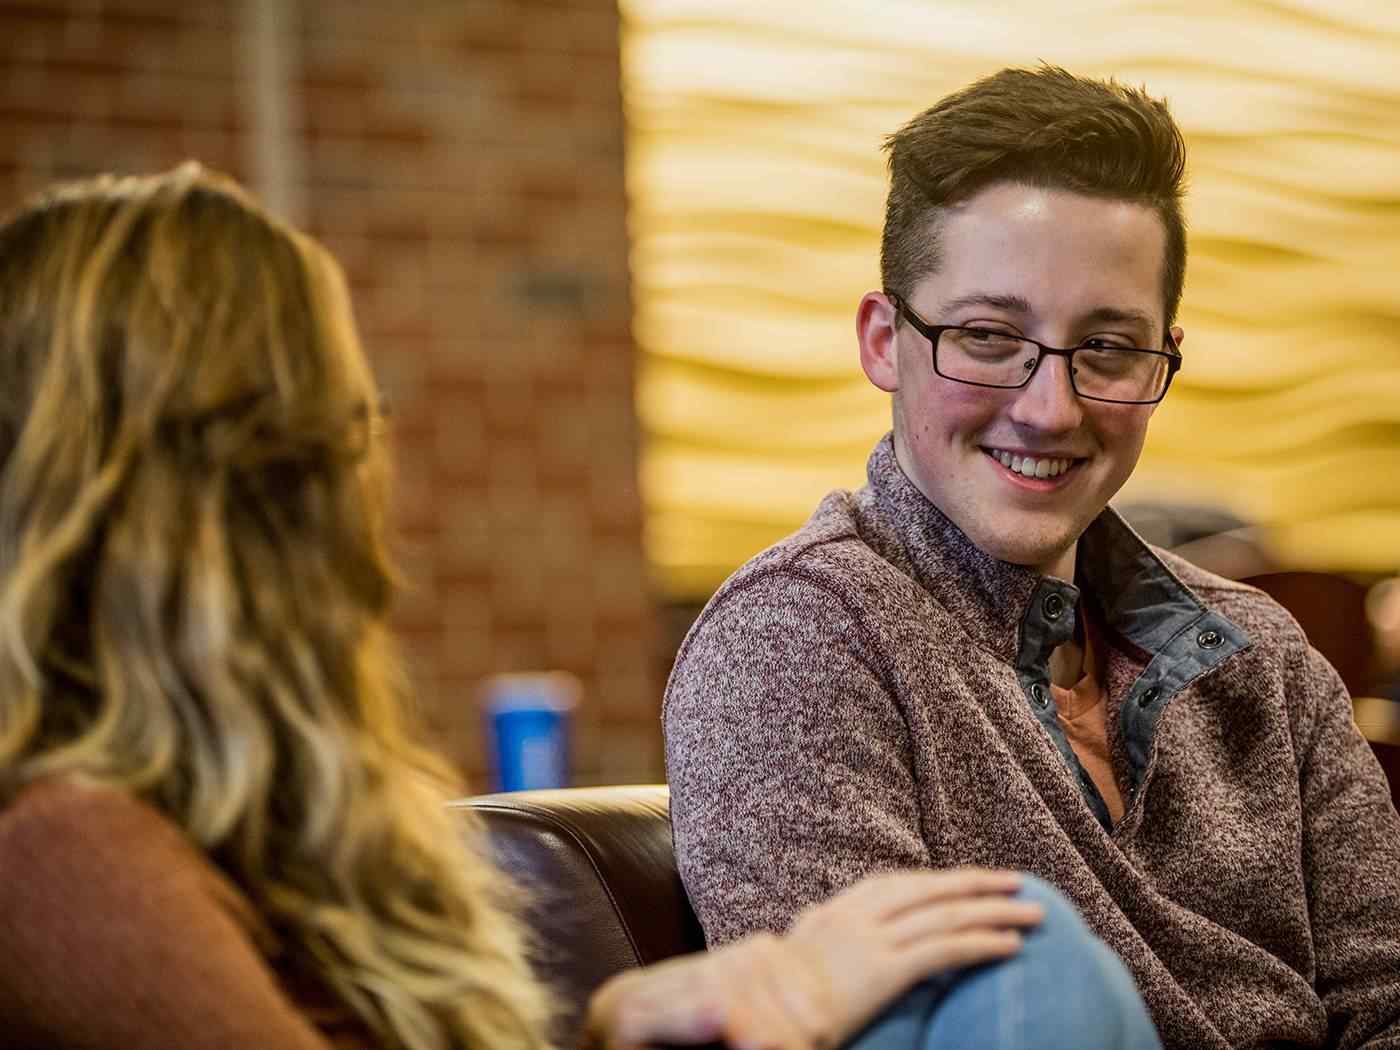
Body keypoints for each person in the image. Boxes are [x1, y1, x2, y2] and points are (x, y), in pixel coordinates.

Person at [0, 165, 1059, 1050]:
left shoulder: (276, 819)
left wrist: (616, 1018)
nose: (370, 449)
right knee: (1038, 972)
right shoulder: (61, 855)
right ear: (253, 472)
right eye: (340, 418)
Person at [663, 65, 1400, 1049]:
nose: (1049, 408)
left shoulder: (1261, 661)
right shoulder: (797, 641)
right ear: (884, 341)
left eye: (1105, 347)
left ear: (1161, 357)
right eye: (985, 336)